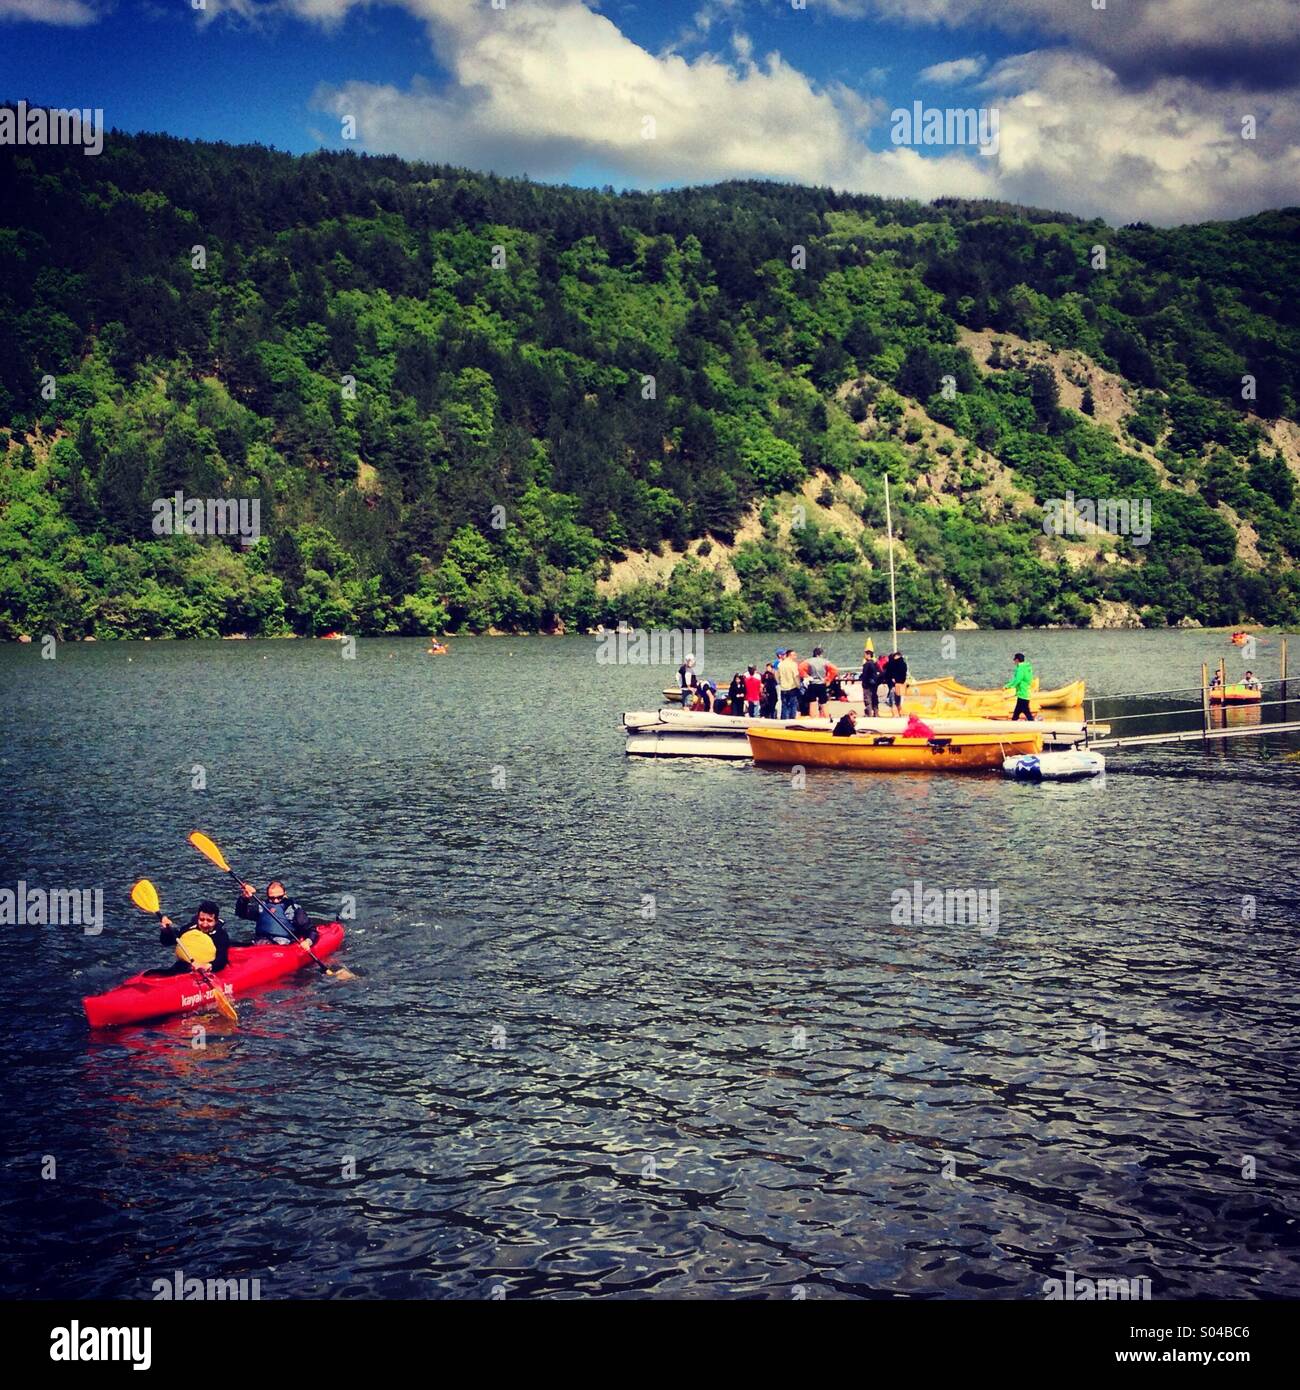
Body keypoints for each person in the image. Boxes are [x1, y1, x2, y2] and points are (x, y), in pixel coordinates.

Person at [149, 900, 232, 976]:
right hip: (184, 967)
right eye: (202, 919)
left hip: (205, 971)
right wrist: (166, 931)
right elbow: (167, 942)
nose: (204, 924)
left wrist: (208, 966)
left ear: (216, 921)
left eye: (209, 920)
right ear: (198, 918)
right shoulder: (189, 928)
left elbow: (222, 959)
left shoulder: (221, 936)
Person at [236, 880, 318, 946]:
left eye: (279, 897)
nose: (276, 901)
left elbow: (311, 930)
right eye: (272, 898)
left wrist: (308, 942)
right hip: (261, 944)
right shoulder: (262, 907)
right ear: (267, 895)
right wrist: (244, 898)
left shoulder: (293, 909)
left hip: (283, 946)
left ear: (285, 894)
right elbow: (241, 913)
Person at [1004, 652, 1035, 721]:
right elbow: (1029, 679)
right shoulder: (1027, 667)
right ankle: (1014, 723)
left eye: (1014, 660)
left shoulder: (1020, 668)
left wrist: (1008, 686)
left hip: (1022, 694)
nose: (1014, 661)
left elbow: (1017, 679)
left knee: (1025, 711)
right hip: (1025, 692)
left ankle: (1033, 724)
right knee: (1017, 712)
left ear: (1017, 660)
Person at [805, 647, 830, 719]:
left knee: (812, 702)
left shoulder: (808, 661)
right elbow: (834, 670)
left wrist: (806, 676)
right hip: (822, 684)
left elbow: (800, 668)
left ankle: (812, 718)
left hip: (812, 683)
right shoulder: (825, 661)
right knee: (824, 702)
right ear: (820, 654)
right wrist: (828, 679)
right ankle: (826, 717)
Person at [777, 649, 801, 720]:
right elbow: (796, 676)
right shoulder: (793, 664)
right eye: (794, 655)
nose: (795, 657)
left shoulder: (780, 664)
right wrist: (798, 685)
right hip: (791, 688)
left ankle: (784, 721)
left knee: (784, 706)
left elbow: (776, 674)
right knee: (793, 705)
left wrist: (779, 682)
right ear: (790, 655)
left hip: (783, 688)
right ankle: (791, 720)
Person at [884, 650, 909, 716]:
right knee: (898, 700)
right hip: (901, 683)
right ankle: (900, 713)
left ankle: (894, 714)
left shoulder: (893, 664)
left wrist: (892, 678)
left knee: (892, 700)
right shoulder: (904, 664)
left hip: (894, 684)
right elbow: (904, 674)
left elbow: (888, 672)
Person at [859, 648, 882, 717]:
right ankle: (876, 712)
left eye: (865, 655)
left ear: (868, 655)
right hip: (874, 684)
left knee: (868, 699)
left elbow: (865, 674)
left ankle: (869, 713)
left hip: (867, 685)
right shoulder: (875, 664)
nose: (864, 656)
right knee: (874, 698)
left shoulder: (867, 664)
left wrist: (863, 681)